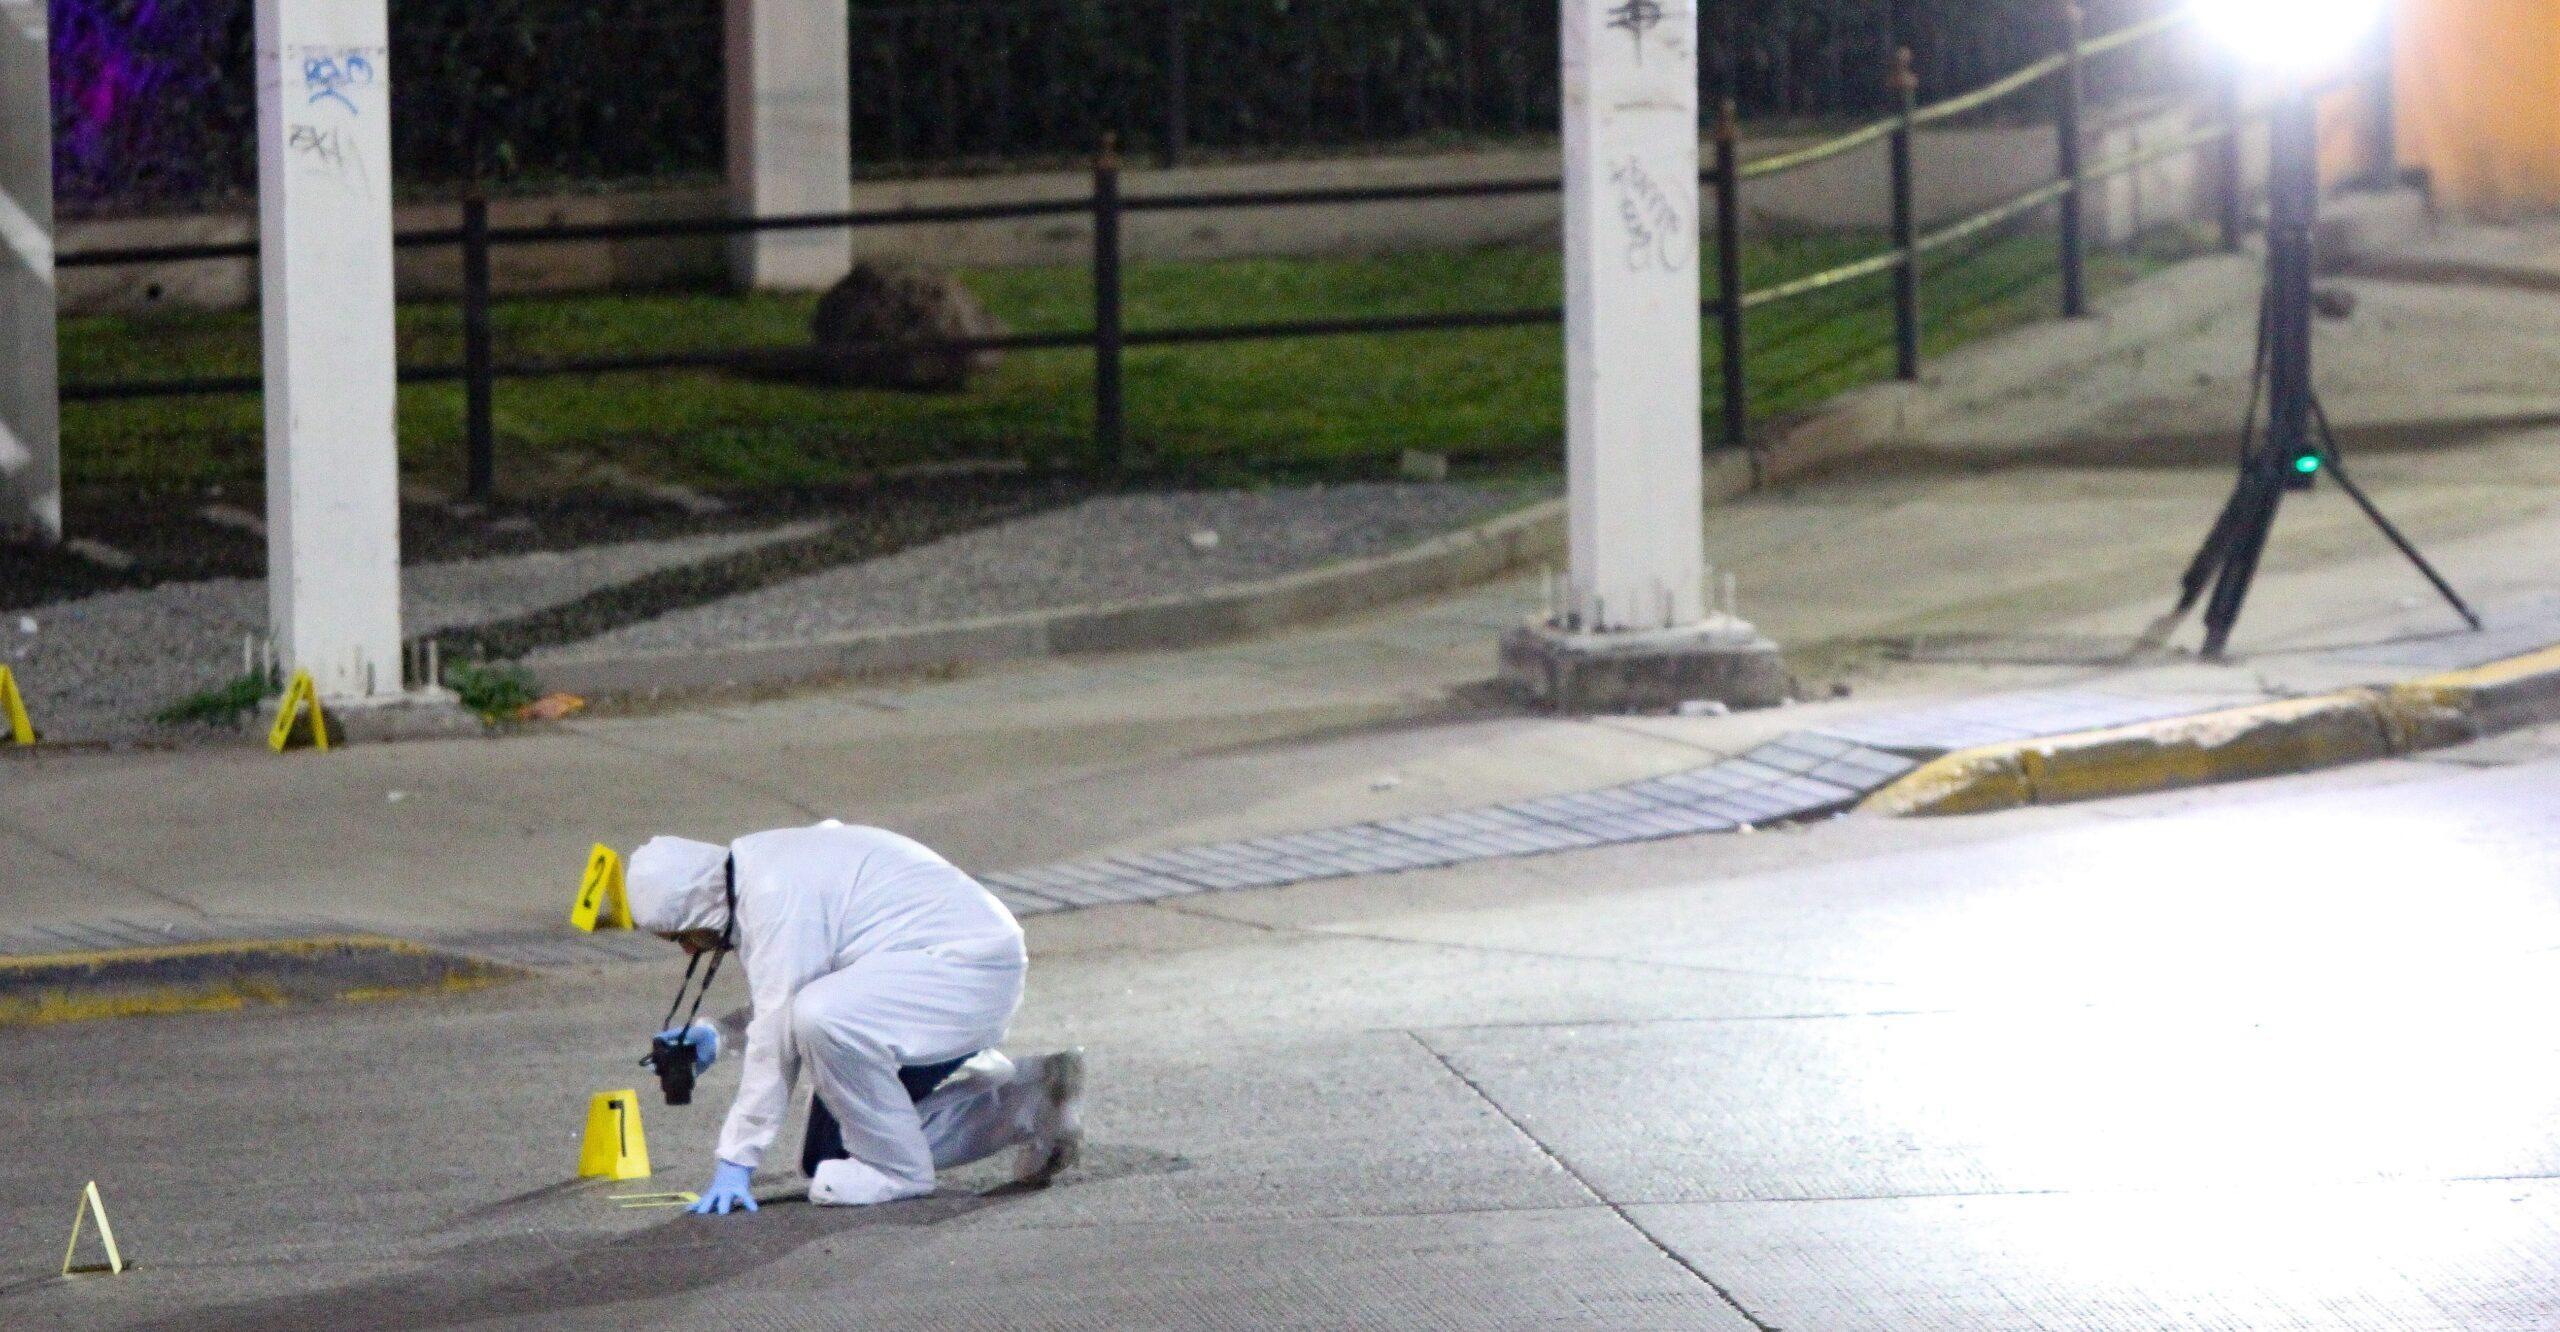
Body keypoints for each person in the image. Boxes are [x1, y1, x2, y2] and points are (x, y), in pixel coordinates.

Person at [626, 821, 1084, 1214]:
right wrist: (720, 1035)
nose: (688, 950)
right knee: (828, 1155)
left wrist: (736, 1159)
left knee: (822, 1019)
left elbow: (779, 1036)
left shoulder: (775, 899)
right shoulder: (762, 864)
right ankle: (1030, 1098)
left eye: (682, 936)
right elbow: (793, 998)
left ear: (698, 906)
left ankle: (898, 1170)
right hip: (952, 969)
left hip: (962, 974)